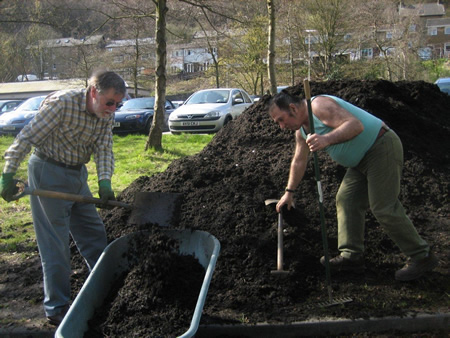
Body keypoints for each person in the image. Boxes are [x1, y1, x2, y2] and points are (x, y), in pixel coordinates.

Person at [268, 89, 438, 282]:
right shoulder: (302, 131)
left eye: (281, 120)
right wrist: (289, 192)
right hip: (360, 162)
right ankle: (351, 256)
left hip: (380, 147)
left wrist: (326, 139)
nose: (281, 126)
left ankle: (421, 256)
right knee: (346, 200)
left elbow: (355, 125)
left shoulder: (318, 106)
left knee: (383, 206)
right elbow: (299, 160)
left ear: (292, 108)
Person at [0, 70, 127, 326]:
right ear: (94, 92)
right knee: (55, 243)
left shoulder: (105, 115)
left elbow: (104, 148)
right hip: (47, 171)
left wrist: (104, 182)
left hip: (77, 175)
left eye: (118, 104)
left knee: (94, 234)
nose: (113, 109)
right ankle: (56, 307)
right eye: (110, 102)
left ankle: (105, 292)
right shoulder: (62, 104)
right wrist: (8, 173)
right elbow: (27, 137)